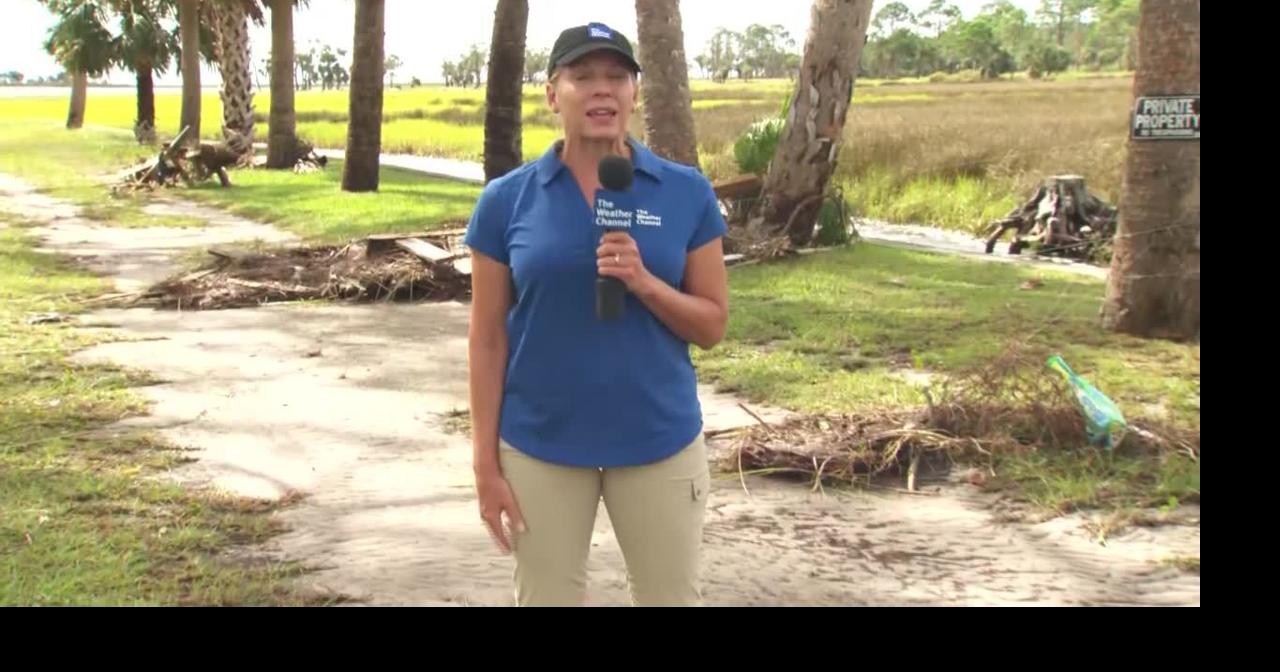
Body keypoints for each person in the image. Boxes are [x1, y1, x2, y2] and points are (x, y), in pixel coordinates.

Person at [464, 21, 729, 607]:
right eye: (582, 76)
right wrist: (485, 465)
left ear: (635, 93)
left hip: (659, 440)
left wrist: (644, 284)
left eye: (616, 77)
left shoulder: (684, 192)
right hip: (540, 444)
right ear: (553, 94)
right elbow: (486, 341)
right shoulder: (506, 201)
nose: (601, 91)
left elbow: (711, 325)